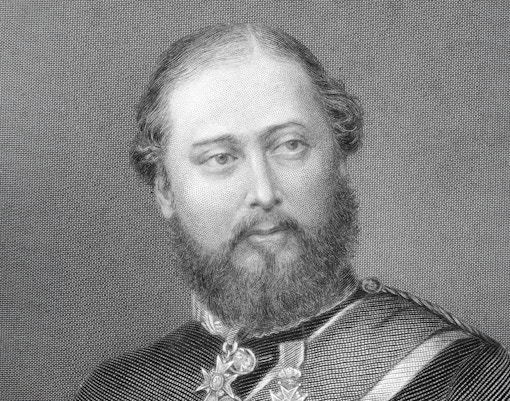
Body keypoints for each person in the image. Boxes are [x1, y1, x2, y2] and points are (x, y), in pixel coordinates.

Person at [75, 23, 510, 401]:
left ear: (339, 160)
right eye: (220, 158)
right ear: (165, 190)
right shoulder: (121, 389)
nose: (264, 193)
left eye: (290, 145)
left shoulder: (462, 375)